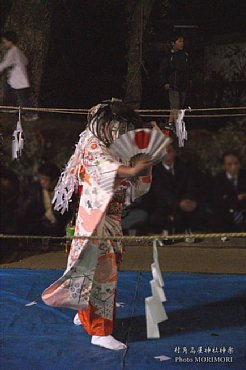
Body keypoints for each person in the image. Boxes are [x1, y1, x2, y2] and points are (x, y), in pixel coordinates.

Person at [42, 100, 152, 350]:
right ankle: (100, 331)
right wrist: (133, 168)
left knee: (95, 267)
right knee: (102, 271)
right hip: (95, 216)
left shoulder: (112, 144)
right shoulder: (93, 143)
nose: (120, 131)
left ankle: (84, 313)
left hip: (109, 215)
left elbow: (135, 180)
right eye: (118, 125)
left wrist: (143, 160)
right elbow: (102, 166)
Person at [144, 143, 206, 234]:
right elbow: (159, 192)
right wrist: (178, 203)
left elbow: (191, 186)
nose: (166, 155)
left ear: (175, 153)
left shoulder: (185, 167)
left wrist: (189, 200)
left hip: (184, 204)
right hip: (164, 207)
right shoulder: (154, 171)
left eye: (169, 151)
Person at [19, 163, 71, 236]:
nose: (42, 182)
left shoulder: (65, 192)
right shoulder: (33, 191)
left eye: (46, 179)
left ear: (55, 180)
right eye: (41, 178)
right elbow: (25, 213)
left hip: (58, 230)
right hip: (37, 230)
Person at [0, 31, 38, 121]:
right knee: (7, 88)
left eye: (5, 42)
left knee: (23, 99)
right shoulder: (18, 51)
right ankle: (9, 107)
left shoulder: (12, 52)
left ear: (10, 42)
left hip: (19, 81)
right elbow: (25, 61)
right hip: (16, 80)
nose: (4, 44)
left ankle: (32, 114)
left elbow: (3, 65)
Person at [160, 32, 190, 130]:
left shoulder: (185, 55)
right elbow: (163, 70)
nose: (182, 43)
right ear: (173, 43)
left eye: (182, 41)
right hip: (173, 85)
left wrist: (189, 80)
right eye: (179, 41)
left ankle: (177, 124)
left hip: (183, 85)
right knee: (174, 105)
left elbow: (187, 70)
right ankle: (170, 123)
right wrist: (165, 82)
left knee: (181, 106)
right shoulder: (169, 56)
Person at [213, 151, 246, 231]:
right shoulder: (217, 180)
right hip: (226, 216)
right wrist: (237, 198)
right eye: (229, 164)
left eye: (236, 163)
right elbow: (218, 201)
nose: (233, 167)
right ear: (224, 166)